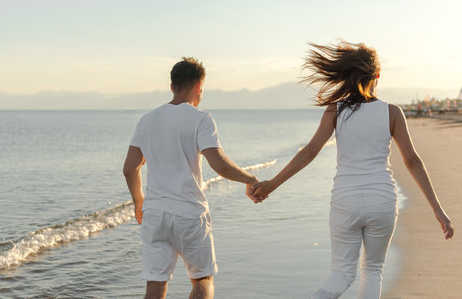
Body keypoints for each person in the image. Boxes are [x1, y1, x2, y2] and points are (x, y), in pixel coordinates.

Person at [252, 41, 454, 299]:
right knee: (373, 270)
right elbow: (412, 160)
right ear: (377, 76)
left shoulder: (335, 110)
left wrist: (272, 184)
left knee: (341, 273)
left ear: (347, 75)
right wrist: (438, 210)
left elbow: (310, 151)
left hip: (345, 200)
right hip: (381, 199)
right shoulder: (392, 112)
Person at [123, 57, 263, 299]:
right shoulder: (200, 118)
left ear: (171, 86)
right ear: (199, 86)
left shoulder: (146, 120)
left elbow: (129, 168)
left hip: (154, 215)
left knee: (155, 286)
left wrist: (139, 201)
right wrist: (250, 178)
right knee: (202, 281)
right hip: (189, 214)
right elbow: (219, 165)